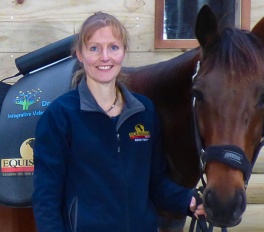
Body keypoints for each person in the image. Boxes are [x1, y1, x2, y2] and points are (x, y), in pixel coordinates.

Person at [32, 12, 204, 232]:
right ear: (80, 55)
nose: (105, 57)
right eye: (94, 48)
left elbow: (156, 183)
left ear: (123, 53)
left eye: (113, 47)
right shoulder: (59, 116)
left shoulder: (144, 112)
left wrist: (189, 201)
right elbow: (46, 198)